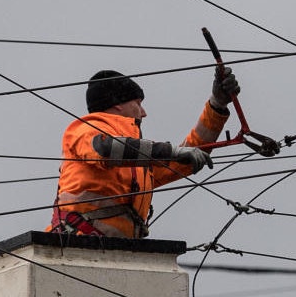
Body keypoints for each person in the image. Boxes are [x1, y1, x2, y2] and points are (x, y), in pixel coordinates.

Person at [47, 67, 240, 238]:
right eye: (138, 103)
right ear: (118, 103)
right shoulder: (84, 129)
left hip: (114, 251)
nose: (143, 112)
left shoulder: (137, 162)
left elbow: (185, 159)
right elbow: (106, 149)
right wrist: (170, 151)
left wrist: (217, 105)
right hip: (76, 246)